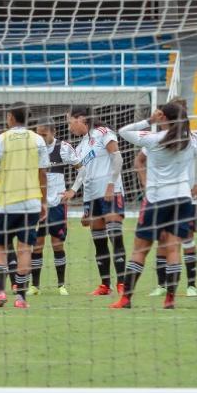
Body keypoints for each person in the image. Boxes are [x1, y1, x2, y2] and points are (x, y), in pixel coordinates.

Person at [111, 102, 197, 310]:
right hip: (182, 200)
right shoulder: (190, 139)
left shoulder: (154, 139)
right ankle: (170, 299)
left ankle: (126, 298)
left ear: (162, 117)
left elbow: (122, 131)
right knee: (173, 249)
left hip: (157, 200)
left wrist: (149, 121)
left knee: (140, 250)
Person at [0, 102, 49, 309]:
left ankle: (1, 293)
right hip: (31, 202)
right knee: (24, 249)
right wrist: (43, 201)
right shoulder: (38, 139)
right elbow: (42, 173)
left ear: (11, 117)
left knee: (1, 248)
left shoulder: (0, 140)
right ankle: (21, 298)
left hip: (7, 202)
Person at [64, 105, 127, 296]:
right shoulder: (82, 145)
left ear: (80, 118)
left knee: (115, 237)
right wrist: (77, 195)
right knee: (99, 241)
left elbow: (117, 158)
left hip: (110, 192)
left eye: (70, 122)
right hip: (92, 198)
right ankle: (105, 285)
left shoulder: (103, 132)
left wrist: (110, 185)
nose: (69, 127)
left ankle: (123, 285)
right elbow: (84, 173)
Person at [33, 120, 76, 296]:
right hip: (37, 204)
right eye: (38, 134)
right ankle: (34, 286)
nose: (40, 138)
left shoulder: (64, 148)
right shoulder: (33, 149)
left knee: (57, 245)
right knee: (36, 246)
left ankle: (61, 285)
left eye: (44, 135)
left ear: (53, 132)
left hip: (57, 204)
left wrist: (73, 190)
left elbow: (82, 168)